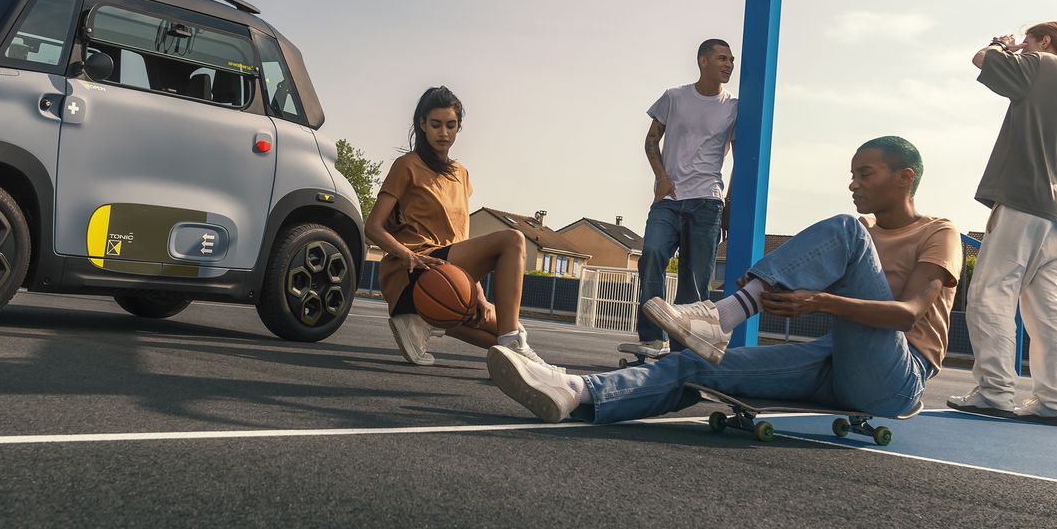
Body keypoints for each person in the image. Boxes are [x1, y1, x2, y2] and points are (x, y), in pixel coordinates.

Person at [486, 137, 962, 426]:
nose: (853, 183)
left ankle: (726, 314)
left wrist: (822, 301)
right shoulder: (862, 241)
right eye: (851, 174)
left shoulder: (938, 232)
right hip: (835, 361)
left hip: (899, 376)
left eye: (865, 173)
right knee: (697, 365)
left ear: (905, 178)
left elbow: (909, 314)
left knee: (845, 228)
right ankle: (575, 391)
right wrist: (796, 293)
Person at [947, 22, 1057, 428]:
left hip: (1023, 202)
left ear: (1045, 42)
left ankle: (994, 392)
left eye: (1030, 39)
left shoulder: (1042, 64)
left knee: (989, 292)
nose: (1024, 46)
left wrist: (1003, 45)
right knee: (1048, 309)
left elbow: (982, 60)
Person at [366, 86, 548, 367]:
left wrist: (478, 294)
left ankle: (423, 320)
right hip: (414, 270)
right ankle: (422, 314)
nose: (443, 133)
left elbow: (459, 237)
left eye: (451, 125)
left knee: (508, 339)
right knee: (513, 239)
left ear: (459, 127)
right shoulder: (407, 166)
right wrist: (409, 256)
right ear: (422, 124)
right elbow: (373, 227)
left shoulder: (461, 174)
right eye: (436, 125)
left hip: (446, 275)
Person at [624, 39, 739, 361]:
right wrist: (661, 177)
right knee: (651, 255)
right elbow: (650, 140)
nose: (729, 64)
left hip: (708, 202)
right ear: (703, 61)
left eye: (731, 60)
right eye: (722, 58)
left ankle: (682, 349)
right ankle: (651, 338)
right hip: (669, 199)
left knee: (694, 281)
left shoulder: (734, 107)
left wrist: (729, 203)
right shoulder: (674, 97)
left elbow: (741, 159)